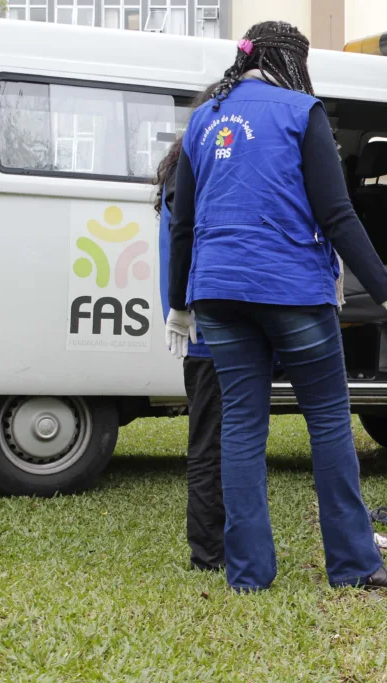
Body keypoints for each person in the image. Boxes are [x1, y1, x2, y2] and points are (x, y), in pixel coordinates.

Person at [166, 22, 387, 591]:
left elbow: (181, 222)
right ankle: (355, 566)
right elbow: (337, 215)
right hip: (290, 289)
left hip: (215, 292)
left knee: (240, 428)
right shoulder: (300, 110)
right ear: (290, 60)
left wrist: (177, 304)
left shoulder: (204, 119)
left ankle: (248, 575)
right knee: (329, 421)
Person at [154, 86, 227, 572]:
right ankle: (208, 552)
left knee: (211, 442)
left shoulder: (178, 171)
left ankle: (213, 547)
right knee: (210, 446)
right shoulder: (195, 176)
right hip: (208, 331)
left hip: (197, 330)